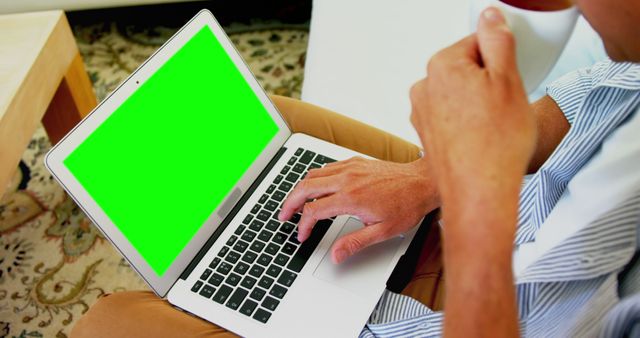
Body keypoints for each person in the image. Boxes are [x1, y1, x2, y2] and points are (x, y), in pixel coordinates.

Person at [72, 0, 640, 336]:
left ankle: (208, 280)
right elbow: (595, 93)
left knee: (108, 322)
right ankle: (210, 266)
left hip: (479, 294)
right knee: (272, 125)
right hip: (498, 202)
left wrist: (475, 197)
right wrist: (431, 177)